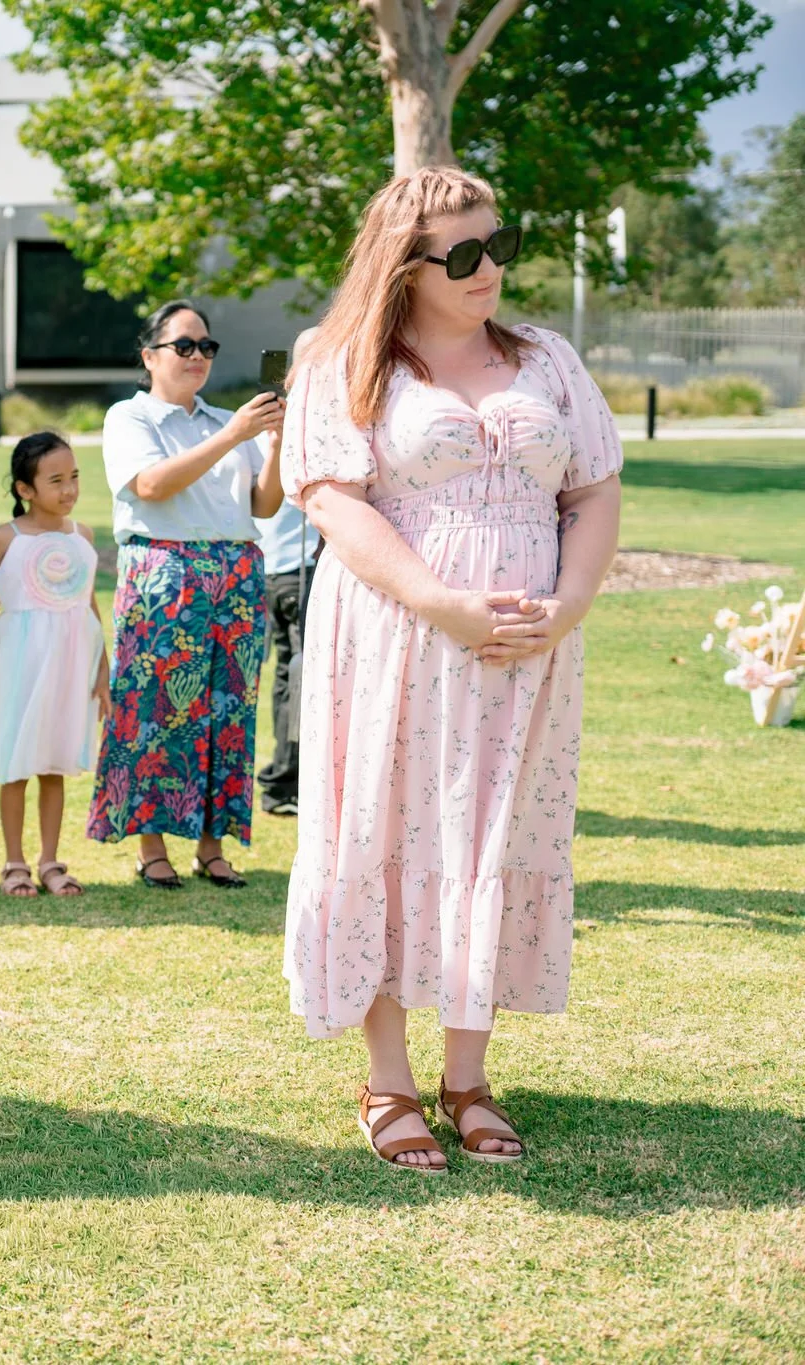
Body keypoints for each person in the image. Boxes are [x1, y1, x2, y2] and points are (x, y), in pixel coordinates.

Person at [280, 167, 622, 1172]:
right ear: (403, 264)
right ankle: (385, 1084)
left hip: (524, 657)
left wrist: (563, 609)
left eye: (498, 245)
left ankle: (466, 1077)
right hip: (394, 641)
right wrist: (440, 605)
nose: (489, 270)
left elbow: (592, 491)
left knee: (492, 831)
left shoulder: (546, 358)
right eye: (464, 255)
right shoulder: (346, 366)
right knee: (382, 831)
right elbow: (332, 505)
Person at [87, 302, 284, 891]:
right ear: (149, 356)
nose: (198, 356)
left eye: (206, 347)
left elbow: (264, 504)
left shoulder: (226, 420)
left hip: (237, 572)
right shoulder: (131, 417)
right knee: (154, 708)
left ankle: (212, 845)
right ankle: (151, 846)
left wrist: (272, 446)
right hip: (165, 571)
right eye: (184, 346)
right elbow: (150, 485)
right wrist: (233, 436)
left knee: (227, 710)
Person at [0, 432, 108, 898]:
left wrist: (102, 671)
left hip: (69, 664)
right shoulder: (6, 537)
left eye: (75, 478)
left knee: (55, 762)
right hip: (19, 662)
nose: (69, 490)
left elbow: (91, 608)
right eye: (56, 480)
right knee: (16, 760)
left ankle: (50, 860)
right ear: (25, 489)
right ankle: (14, 862)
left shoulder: (83, 535)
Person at [253, 497, 318, 817]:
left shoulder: (262, 448)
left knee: (287, 676)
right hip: (299, 571)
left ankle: (285, 779)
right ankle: (285, 783)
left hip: (269, 572)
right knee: (301, 678)